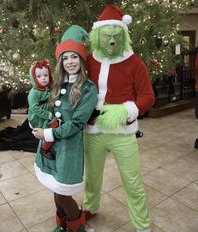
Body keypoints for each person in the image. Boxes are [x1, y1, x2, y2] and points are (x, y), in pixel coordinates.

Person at [83, 4, 155, 232]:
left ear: (124, 35)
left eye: (116, 36)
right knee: (92, 178)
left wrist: (126, 111)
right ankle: (90, 208)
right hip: (93, 131)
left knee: (133, 183)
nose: (112, 41)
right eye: (107, 36)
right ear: (97, 35)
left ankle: (142, 225)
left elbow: (147, 97)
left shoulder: (135, 63)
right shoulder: (88, 60)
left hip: (123, 133)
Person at [32, 25, 97, 232]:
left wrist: (48, 133)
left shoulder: (88, 88)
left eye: (75, 57)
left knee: (62, 192)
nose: (70, 62)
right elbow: (50, 110)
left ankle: (77, 227)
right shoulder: (58, 83)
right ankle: (63, 225)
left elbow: (77, 124)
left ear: (82, 60)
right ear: (61, 61)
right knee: (53, 186)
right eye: (66, 57)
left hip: (68, 146)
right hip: (50, 146)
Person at [27, 60, 58, 159]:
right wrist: (47, 114)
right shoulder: (34, 93)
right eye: (39, 76)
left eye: (46, 75)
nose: (43, 78)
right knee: (54, 126)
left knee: (56, 125)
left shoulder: (46, 88)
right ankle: (44, 149)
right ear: (34, 78)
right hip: (38, 117)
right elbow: (34, 108)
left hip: (47, 112)